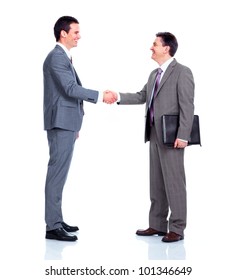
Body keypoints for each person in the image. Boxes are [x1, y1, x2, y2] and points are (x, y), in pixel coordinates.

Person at [107, 32, 195, 242]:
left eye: (154, 44)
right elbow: (141, 96)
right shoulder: (153, 74)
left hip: (173, 136)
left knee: (174, 181)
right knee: (156, 181)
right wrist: (117, 96)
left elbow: (187, 106)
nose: (151, 47)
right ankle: (157, 224)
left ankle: (177, 228)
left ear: (166, 48)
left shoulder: (182, 72)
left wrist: (184, 135)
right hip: (154, 133)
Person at [43, 16, 115, 241]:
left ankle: (56, 219)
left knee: (60, 174)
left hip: (67, 124)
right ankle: (52, 226)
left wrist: (74, 124)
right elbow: (70, 89)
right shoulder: (56, 57)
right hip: (60, 123)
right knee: (57, 174)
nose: (79, 36)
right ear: (63, 33)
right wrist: (100, 96)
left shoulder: (64, 57)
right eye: (75, 32)